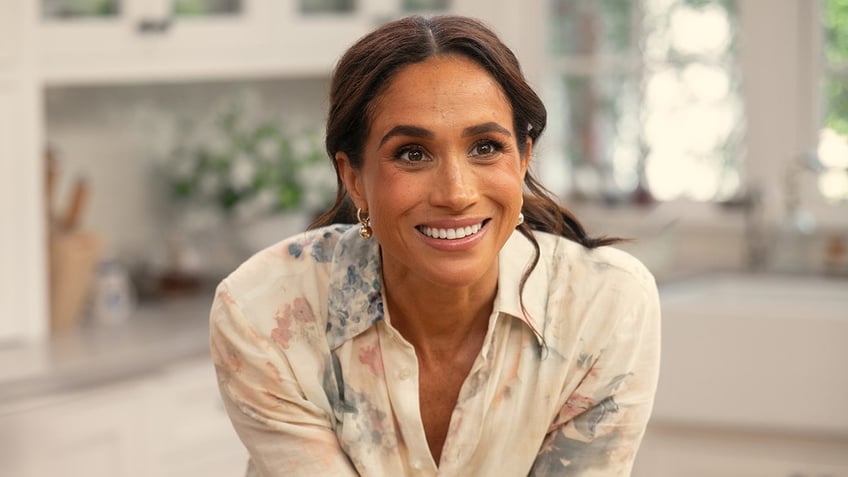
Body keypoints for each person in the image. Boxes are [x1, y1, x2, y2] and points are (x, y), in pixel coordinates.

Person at [210, 14, 660, 477]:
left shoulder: (603, 304)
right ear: (354, 179)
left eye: (485, 147)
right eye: (412, 154)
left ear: (523, 159)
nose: (456, 193)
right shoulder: (266, 311)